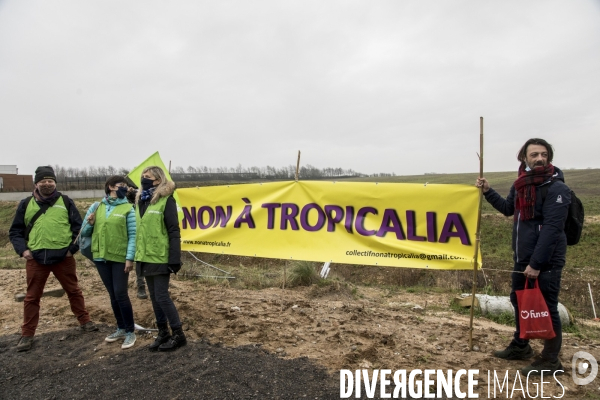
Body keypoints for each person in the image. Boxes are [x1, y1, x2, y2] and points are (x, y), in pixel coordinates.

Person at [476, 138, 570, 375]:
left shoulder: (557, 187)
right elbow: (508, 208)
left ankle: (550, 359)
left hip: (545, 260)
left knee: (548, 307)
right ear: (524, 158)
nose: (540, 158)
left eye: (544, 154)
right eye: (534, 155)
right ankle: (521, 345)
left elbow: (552, 229)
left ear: (549, 157)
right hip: (522, 257)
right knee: (519, 301)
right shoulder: (521, 184)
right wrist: (488, 191)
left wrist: (536, 264)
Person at [9, 166, 98, 352]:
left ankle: (85, 321)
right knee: (32, 297)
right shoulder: (26, 204)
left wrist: (71, 250)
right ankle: (27, 335)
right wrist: (23, 251)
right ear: (36, 183)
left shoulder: (66, 202)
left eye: (50, 181)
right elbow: (15, 231)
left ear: (55, 183)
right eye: (43, 181)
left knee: (73, 291)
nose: (47, 184)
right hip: (36, 259)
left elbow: (78, 228)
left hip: (63, 258)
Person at [81, 176, 137, 349]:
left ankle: (130, 331)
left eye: (126, 187)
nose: (125, 189)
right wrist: (90, 224)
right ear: (110, 187)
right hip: (101, 257)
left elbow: (133, 235)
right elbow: (84, 232)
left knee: (121, 293)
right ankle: (120, 327)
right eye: (121, 185)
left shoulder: (128, 208)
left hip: (120, 258)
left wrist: (129, 258)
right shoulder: (97, 207)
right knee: (112, 294)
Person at [135, 166, 185, 351]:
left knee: (162, 296)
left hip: (160, 257)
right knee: (155, 297)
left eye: (147, 176)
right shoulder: (141, 201)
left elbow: (173, 231)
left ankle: (179, 334)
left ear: (158, 180)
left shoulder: (166, 201)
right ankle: (163, 332)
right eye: (143, 176)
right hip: (144, 256)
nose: (143, 179)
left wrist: (174, 258)